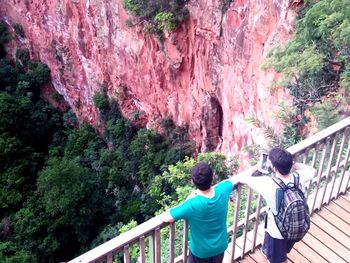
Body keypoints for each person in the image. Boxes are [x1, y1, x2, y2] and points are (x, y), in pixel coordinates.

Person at [236, 147, 317, 263]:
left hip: (277, 232)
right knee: (281, 251)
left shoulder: (268, 183)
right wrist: (294, 164)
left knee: (278, 260)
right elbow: (312, 170)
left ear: (273, 168)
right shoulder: (299, 176)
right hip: (294, 226)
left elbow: (242, 178)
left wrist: (257, 166)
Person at [161, 162, 241, 263]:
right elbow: (236, 179)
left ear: (193, 182)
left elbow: (166, 217)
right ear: (212, 177)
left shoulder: (191, 204)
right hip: (220, 247)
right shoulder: (222, 189)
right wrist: (257, 166)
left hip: (201, 252)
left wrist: (189, 198)